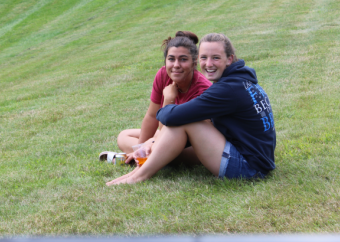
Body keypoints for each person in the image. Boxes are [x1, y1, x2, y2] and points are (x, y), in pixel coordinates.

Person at [107, 33, 275, 185]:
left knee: (185, 121)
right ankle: (141, 167)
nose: (208, 64)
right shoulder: (238, 81)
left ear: (229, 59)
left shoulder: (226, 90)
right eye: (204, 57)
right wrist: (149, 143)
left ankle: (138, 175)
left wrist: (168, 100)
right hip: (254, 159)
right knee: (173, 124)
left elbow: (170, 118)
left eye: (215, 58)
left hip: (249, 169)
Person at [114, 31, 212, 160]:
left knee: (168, 151)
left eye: (183, 59)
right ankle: (146, 155)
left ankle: (154, 156)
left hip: (193, 144)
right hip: (167, 135)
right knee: (124, 136)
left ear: (194, 62)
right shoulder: (163, 75)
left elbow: (168, 132)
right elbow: (151, 116)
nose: (176, 65)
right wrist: (140, 150)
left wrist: (169, 99)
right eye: (171, 59)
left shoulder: (203, 89)